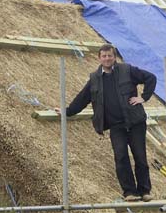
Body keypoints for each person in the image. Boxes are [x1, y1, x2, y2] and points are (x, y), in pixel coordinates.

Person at [55, 44, 157, 202]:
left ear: (114, 57)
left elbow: (150, 78)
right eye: (104, 56)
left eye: (110, 56)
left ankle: (145, 191)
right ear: (99, 58)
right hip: (116, 126)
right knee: (121, 156)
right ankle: (130, 192)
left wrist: (143, 97)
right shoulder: (95, 79)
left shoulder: (127, 70)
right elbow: (82, 99)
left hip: (135, 122)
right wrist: (67, 111)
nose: (107, 59)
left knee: (140, 157)